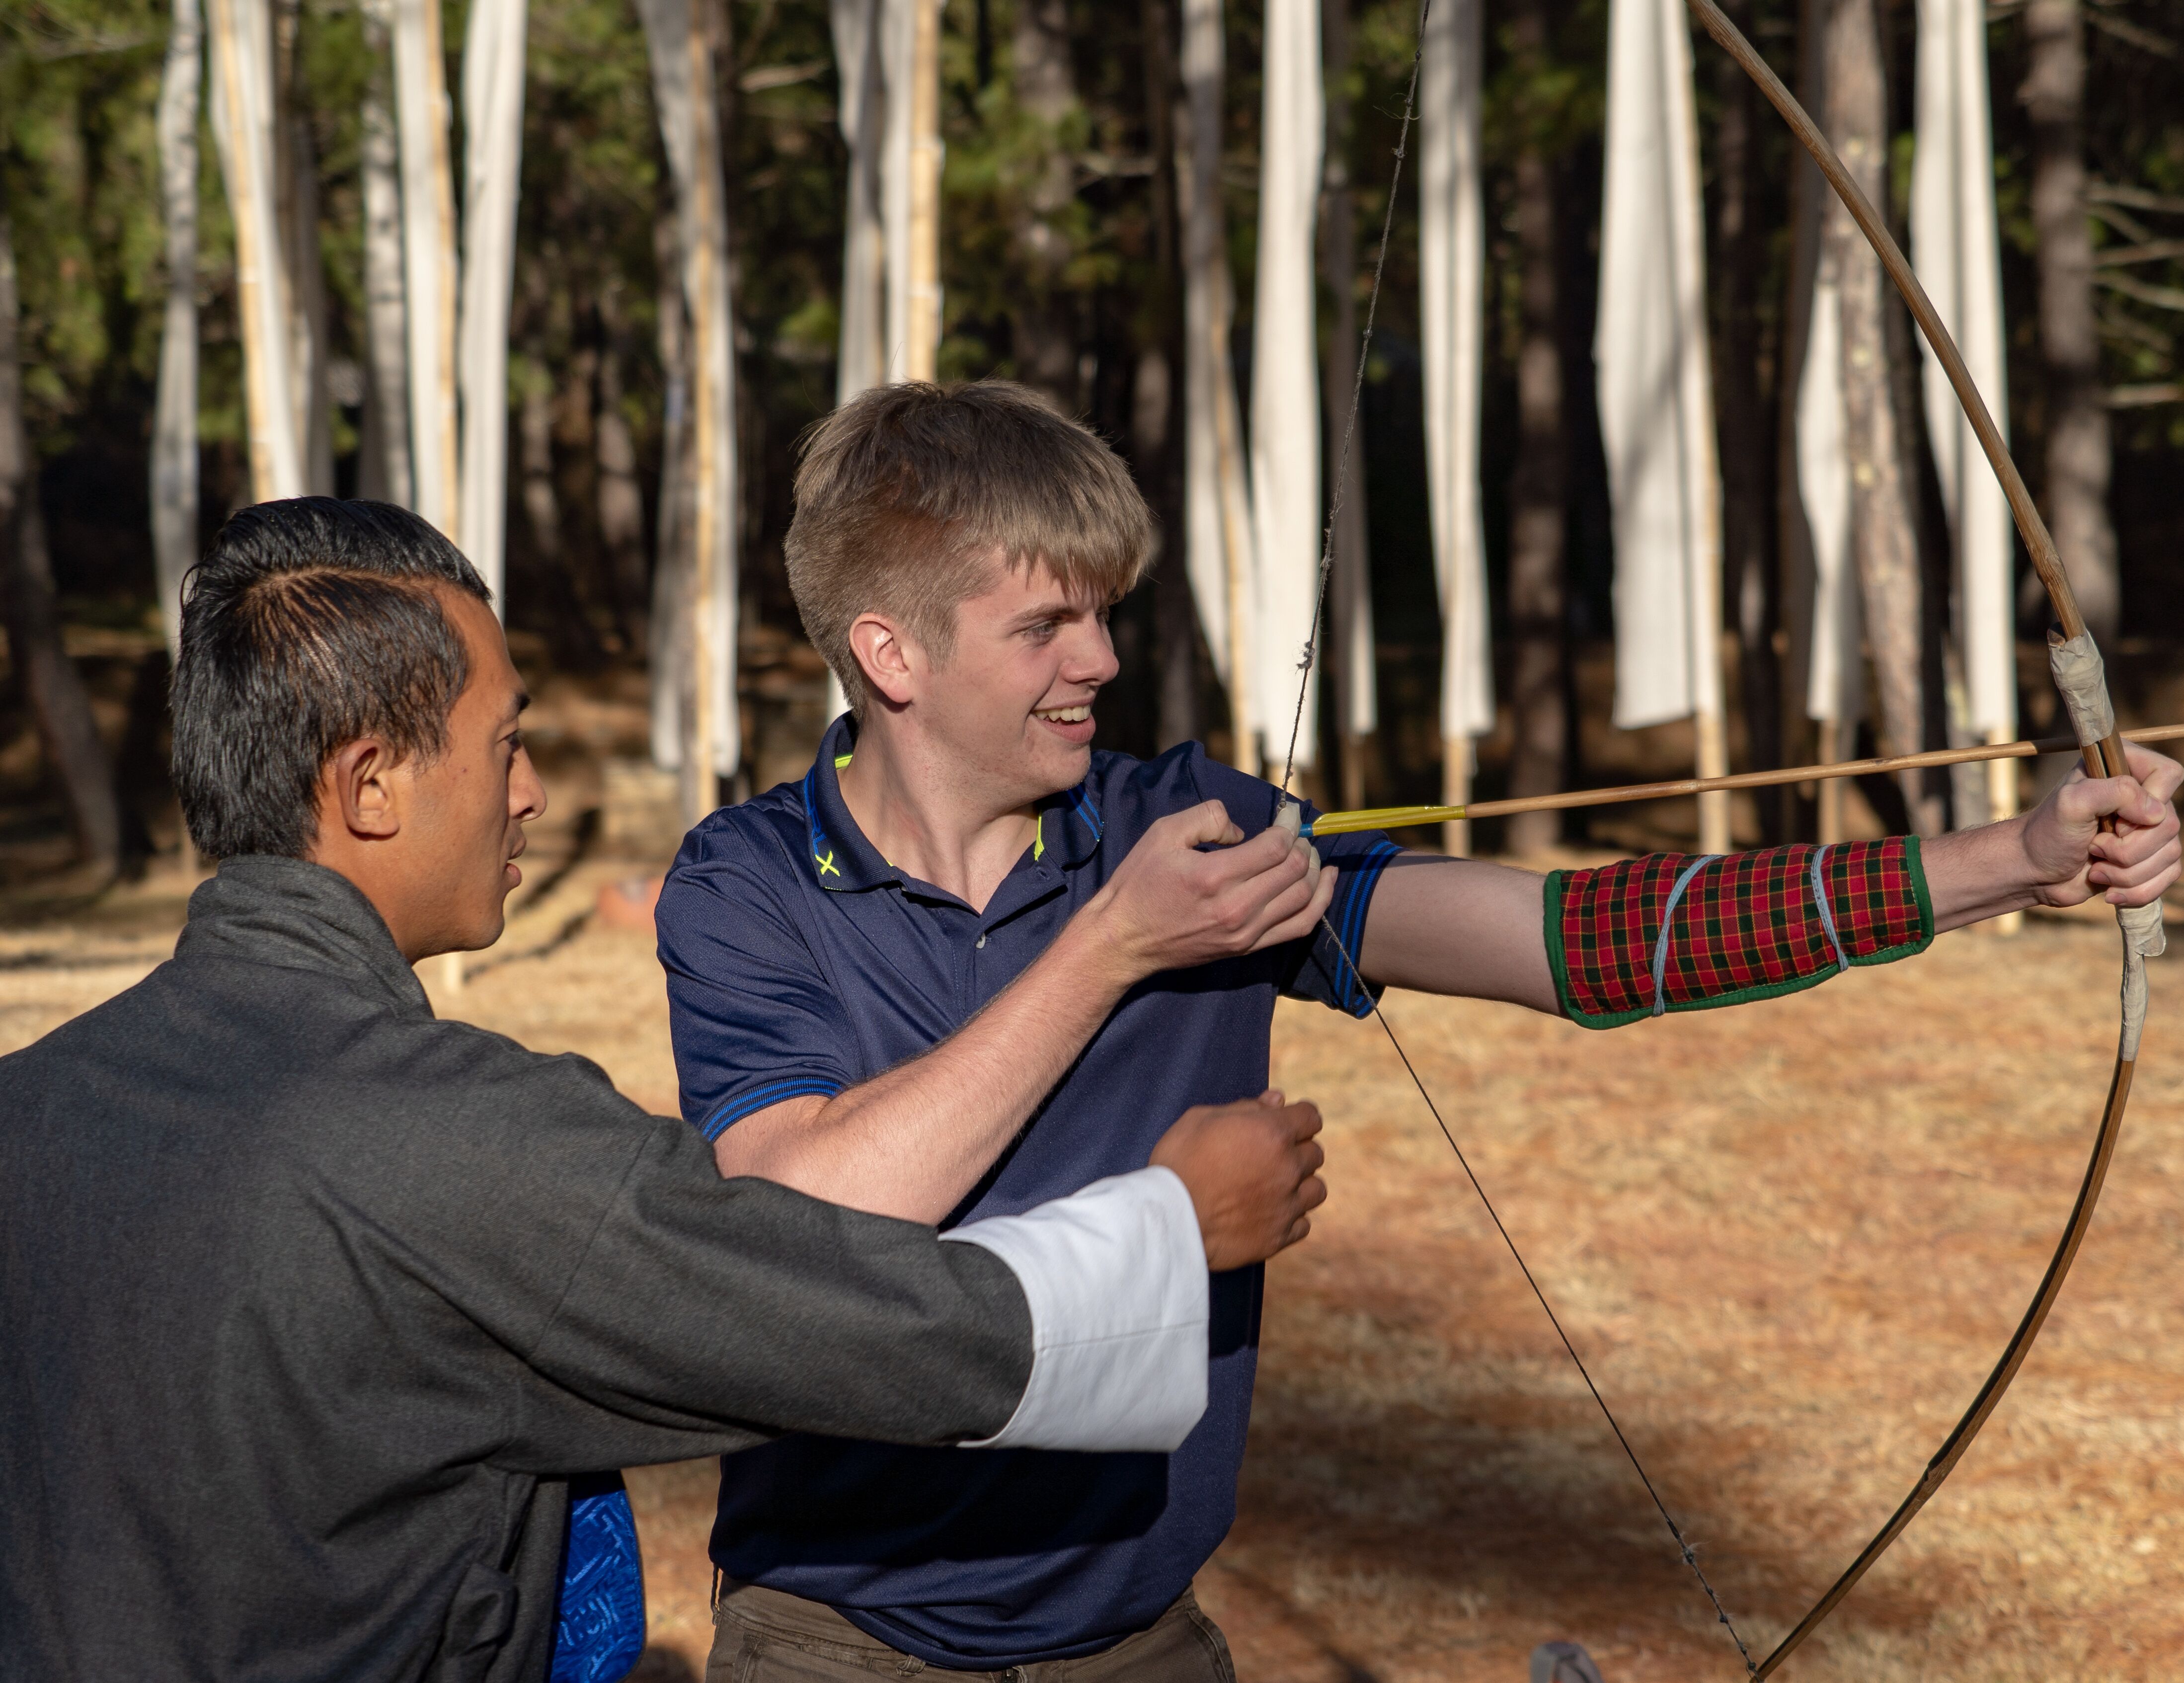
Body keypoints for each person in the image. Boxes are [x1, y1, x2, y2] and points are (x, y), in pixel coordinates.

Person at [656, 381, 2184, 1682]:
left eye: (1108, 614)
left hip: (1133, 1625)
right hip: (840, 1632)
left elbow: (1573, 943)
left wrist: (2014, 861)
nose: (1102, 663)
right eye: (1046, 623)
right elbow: (806, 1217)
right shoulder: (751, 883)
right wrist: (1117, 944)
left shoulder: (1185, 830)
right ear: (893, 655)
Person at [0, 496, 1336, 1683]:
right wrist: (1172, 1226)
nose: (530, 792)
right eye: (502, 741)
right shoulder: (458, 1142)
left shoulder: (33, 1105)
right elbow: (826, 1321)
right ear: (368, 787)